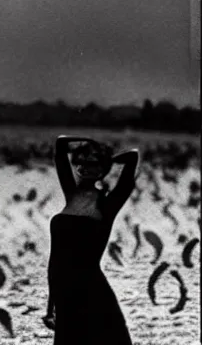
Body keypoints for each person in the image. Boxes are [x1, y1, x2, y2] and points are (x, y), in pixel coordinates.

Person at [44, 135, 139, 345]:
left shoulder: (108, 205)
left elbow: (132, 159)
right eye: (82, 163)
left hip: (91, 289)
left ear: (102, 171)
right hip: (65, 289)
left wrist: (106, 158)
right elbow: (60, 146)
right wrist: (51, 305)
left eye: (93, 165)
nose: (86, 168)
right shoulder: (71, 193)